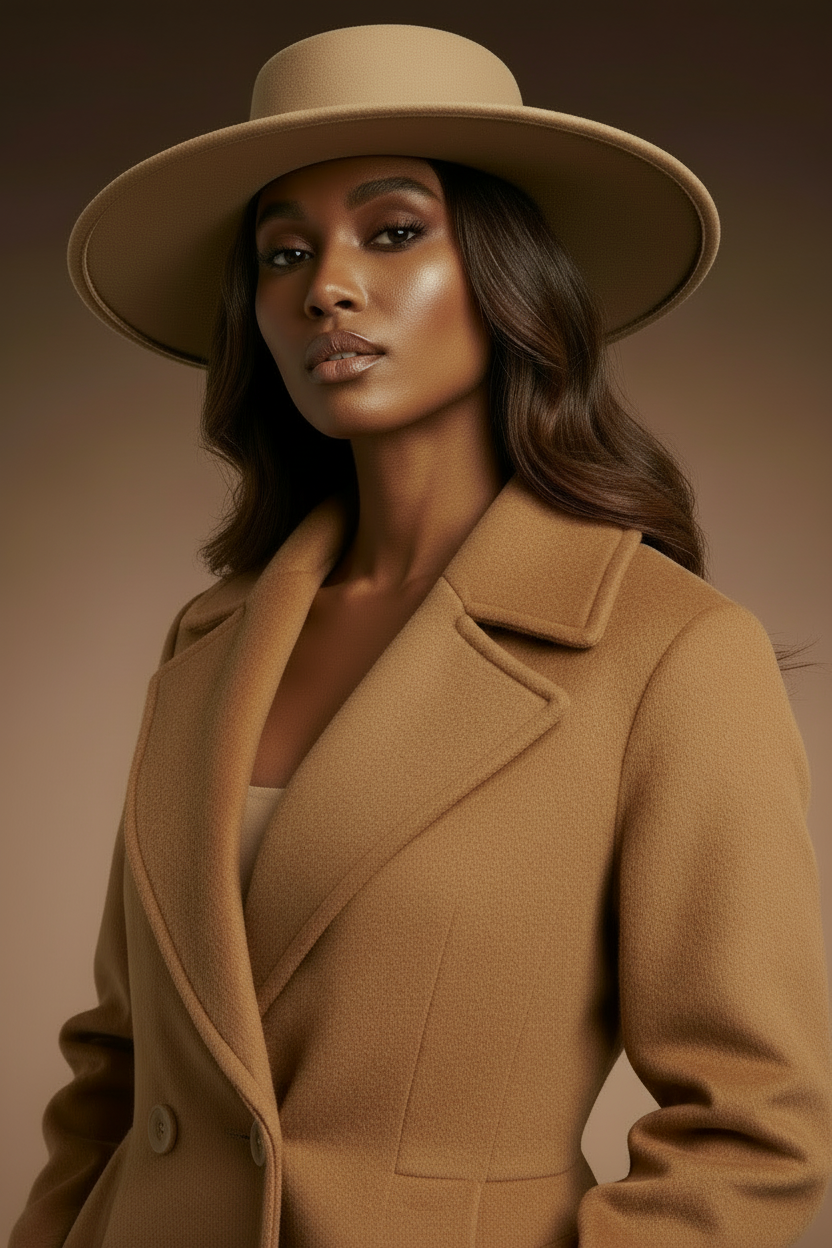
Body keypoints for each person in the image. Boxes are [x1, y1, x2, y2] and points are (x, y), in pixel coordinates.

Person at [10, 24, 831, 1248]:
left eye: (392, 232)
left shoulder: (668, 651)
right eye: (284, 252)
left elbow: (753, 1134)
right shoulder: (211, 638)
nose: (324, 288)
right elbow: (121, 1069)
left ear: (508, 277)